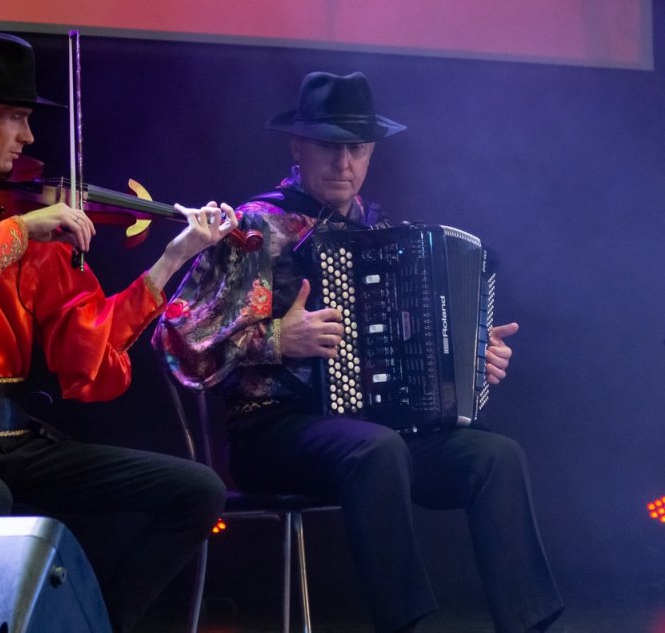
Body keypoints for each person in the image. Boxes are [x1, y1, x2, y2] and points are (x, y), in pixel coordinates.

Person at [153, 71, 564, 633]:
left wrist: (473, 358)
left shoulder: (385, 233)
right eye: (329, 146)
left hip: (378, 437)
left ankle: (530, 625)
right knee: (378, 449)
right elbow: (174, 341)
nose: (344, 163)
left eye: (358, 148)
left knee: (495, 456)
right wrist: (277, 339)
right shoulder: (253, 230)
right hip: (271, 431)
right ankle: (406, 627)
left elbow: (419, 345)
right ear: (298, 147)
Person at [0, 31, 235, 633]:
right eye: (16, 117)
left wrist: (172, 259)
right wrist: (21, 232)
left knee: (197, 489)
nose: (29, 137)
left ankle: (96, 625)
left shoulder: (19, 216)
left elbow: (86, 348)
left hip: (14, 439)